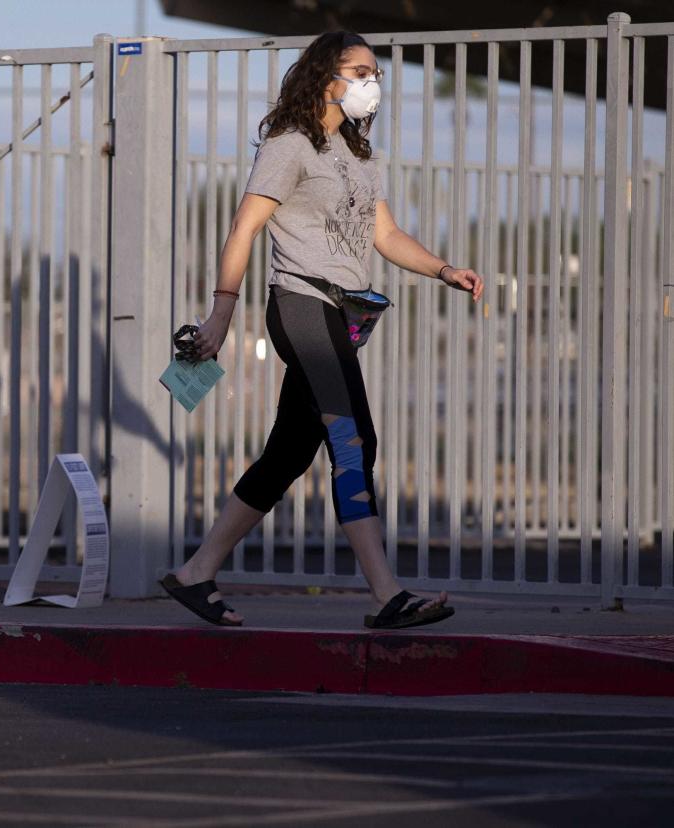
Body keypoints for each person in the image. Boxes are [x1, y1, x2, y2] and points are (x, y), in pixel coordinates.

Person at [160, 31, 483, 630]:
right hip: (301, 304)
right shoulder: (290, 145)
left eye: (377, 74)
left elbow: (384, 237)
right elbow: (244, 229)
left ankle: (195, 572)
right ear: (326, 77)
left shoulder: (359, 156)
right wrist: (221, 314)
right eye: (360, 71)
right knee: (354, 439)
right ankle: (385, 595)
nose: (372, 84)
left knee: (289, 452)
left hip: (342, 313)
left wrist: (443, 269)